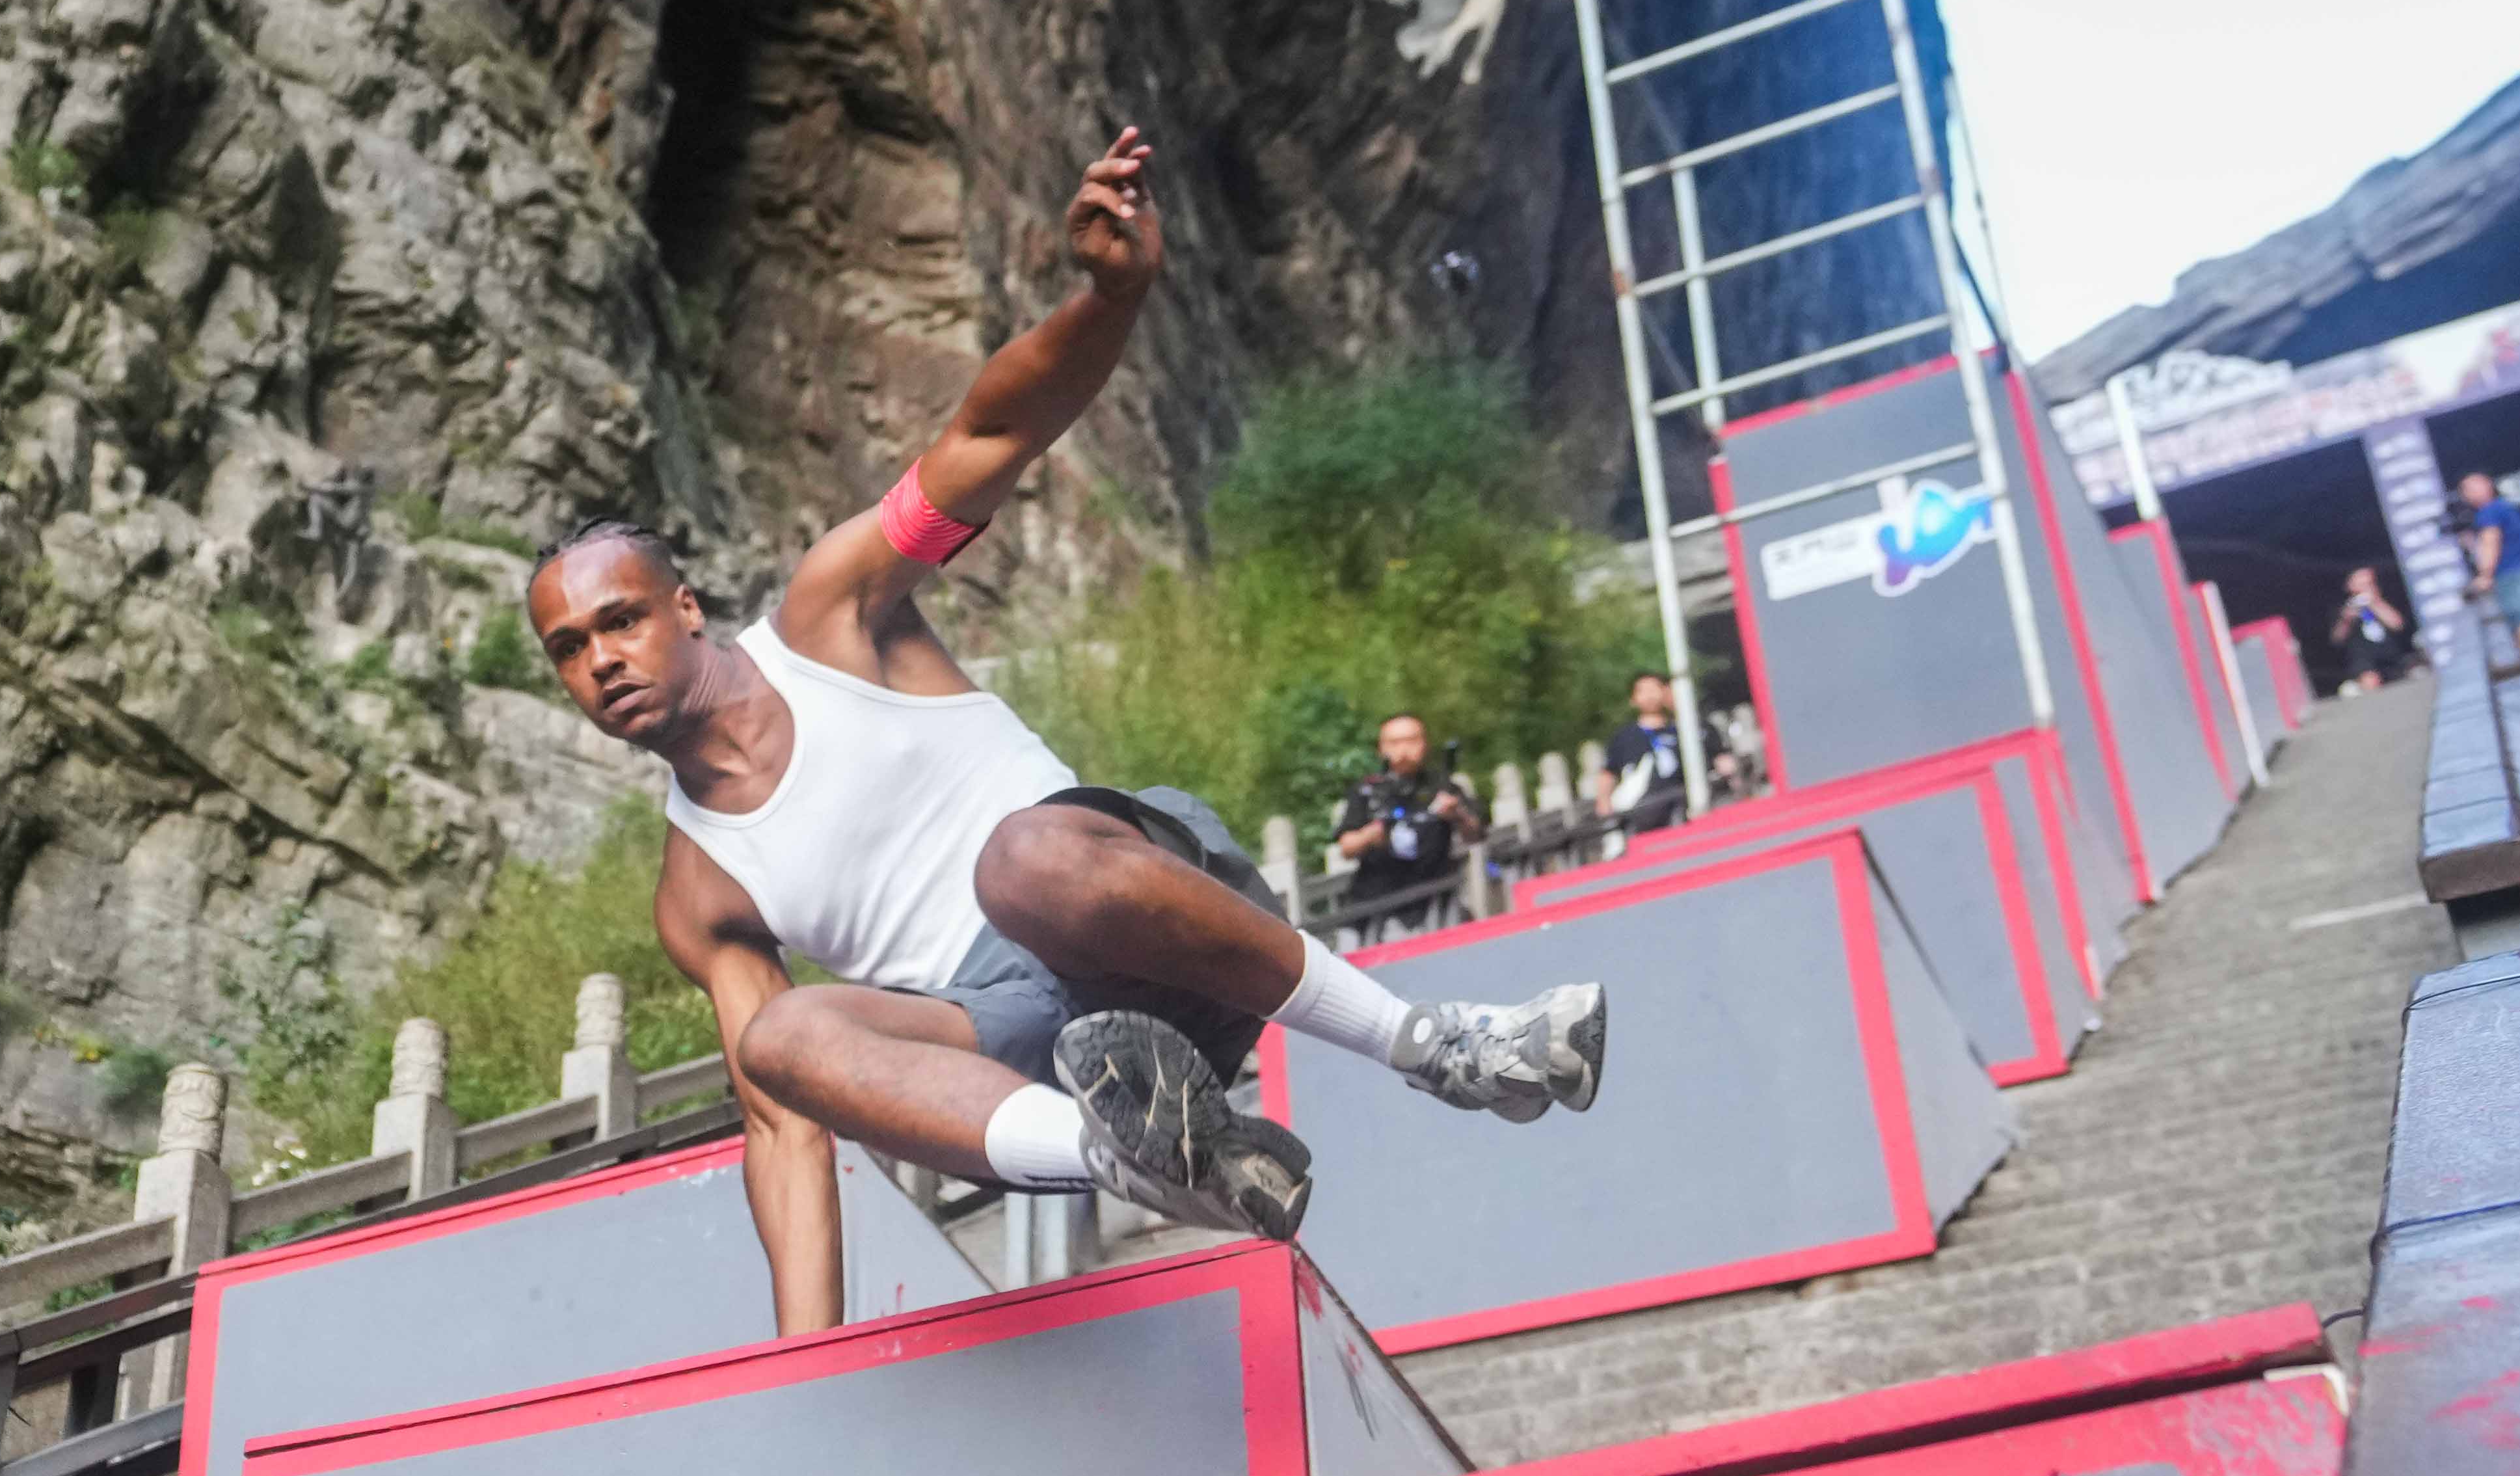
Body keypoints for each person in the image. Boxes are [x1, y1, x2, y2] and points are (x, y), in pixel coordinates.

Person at [520, 127, 1605, 1335]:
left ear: (682, 607)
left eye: (618, 620)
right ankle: (1134, 1151)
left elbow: (988, 437)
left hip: (1126, 899)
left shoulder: (830, 613)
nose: (600, 659)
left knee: (1019, 861)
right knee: (781, 1037)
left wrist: (1109, 295)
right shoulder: (696, 889)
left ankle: (1435, 1043)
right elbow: (782, 1129)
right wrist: (803, 1370)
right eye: (568, 648)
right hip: (1038, 1044)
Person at [1333, 716, 1479, 926]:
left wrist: (1457, 814)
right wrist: (1371, 835)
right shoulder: (1367, 791)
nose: (1403, 750)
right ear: (1381, 748)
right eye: (1394, 743)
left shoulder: (1443, 785)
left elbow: (1477, 835)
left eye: (1412, 741)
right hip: (1377, 902)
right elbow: (1347, 847)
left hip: (1435, 897)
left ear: (1425, 744)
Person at [2459, 470, 2520, 653]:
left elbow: (2491, 542)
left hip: (2511, 576)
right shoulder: (2508, 506)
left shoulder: (2489, 512)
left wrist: (2485, 575)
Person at [1587, 672, 1689, 830]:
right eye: (1643, 691)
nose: (1650, 696)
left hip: (1680, 805)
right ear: (1633, 699)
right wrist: (1604, 802)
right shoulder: (1625, 737)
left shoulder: (1681, 731)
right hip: (1641, 812)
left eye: (1654, 689)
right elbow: (1609, 772)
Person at [2331, 567, 2413, 693]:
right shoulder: (2342, 609)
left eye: (2369, 584)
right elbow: (2337, 640)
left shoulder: (2386, 599)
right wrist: (2346, 620)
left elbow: (2398, 625)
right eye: (2361, 585)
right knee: (2370, 680)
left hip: (2393, 655)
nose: (2365, 588)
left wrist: (2375, 603)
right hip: (2364, 659)